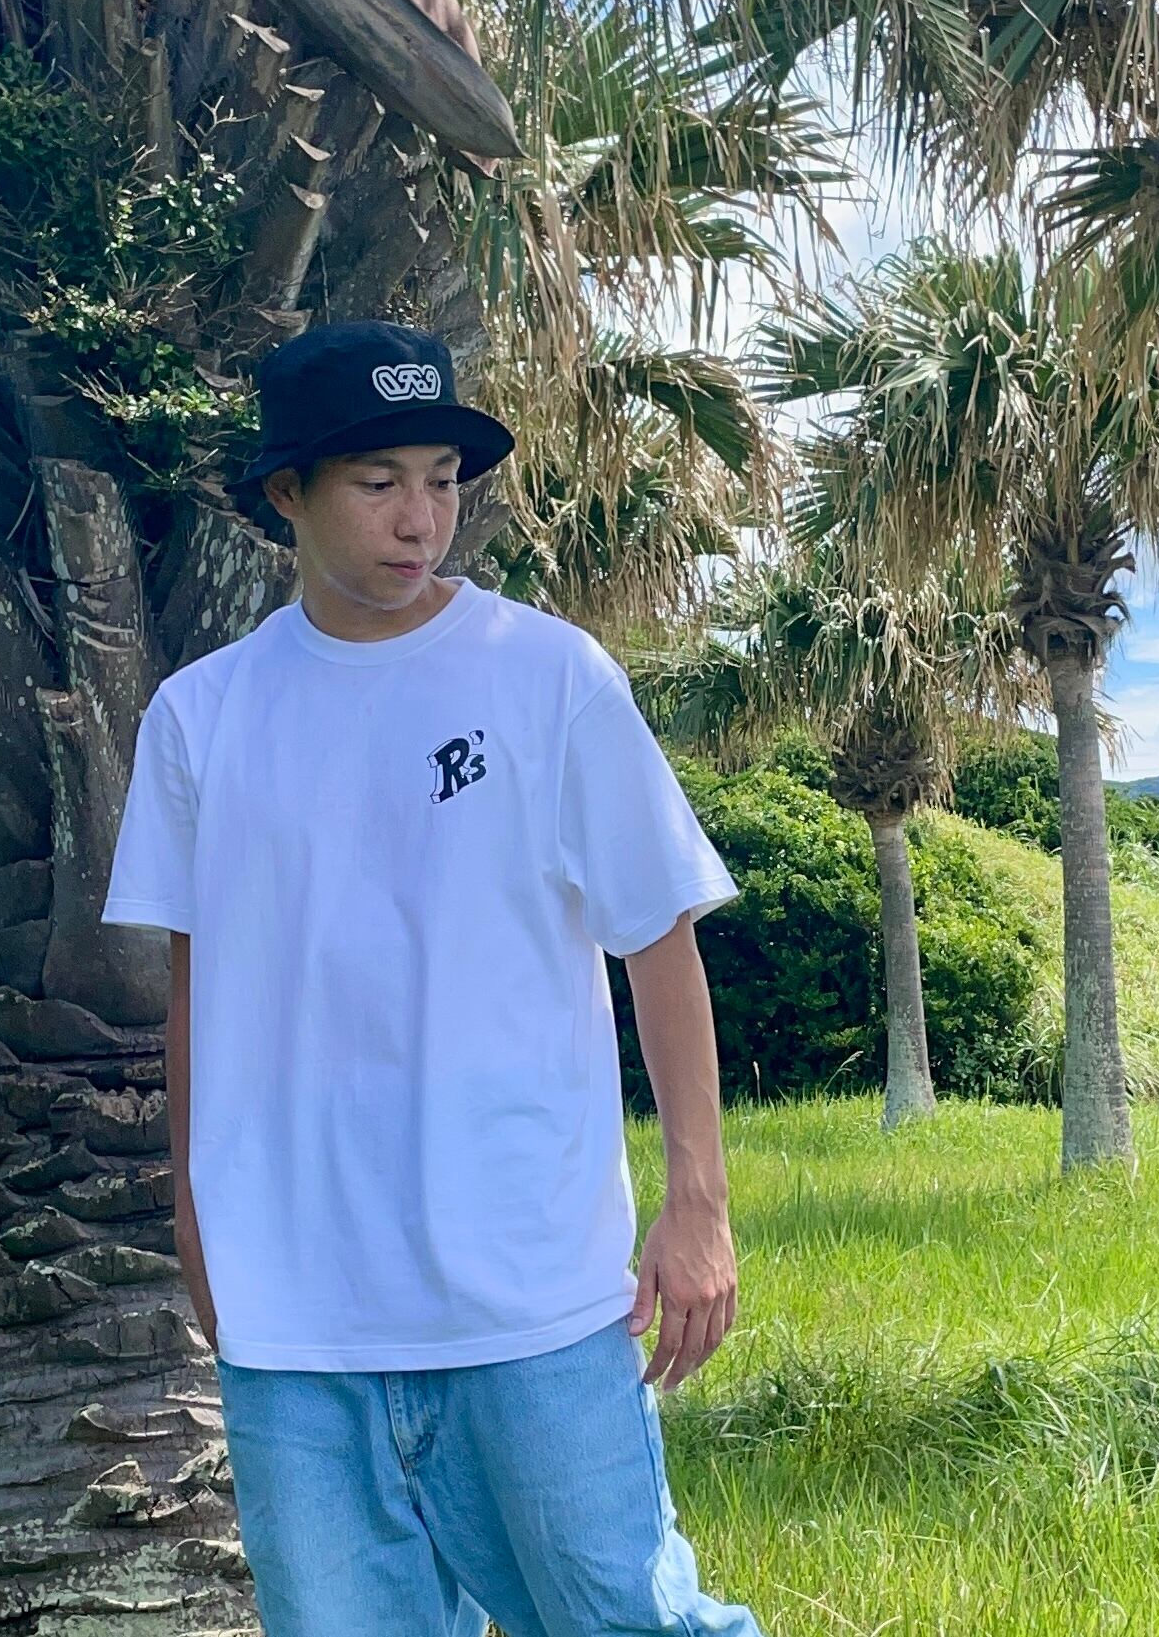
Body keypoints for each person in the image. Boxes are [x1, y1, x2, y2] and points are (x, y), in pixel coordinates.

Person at [101, 319, 763, 1636]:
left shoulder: (549, 677)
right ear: (286, 494)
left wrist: (697, 1204)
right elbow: (196, 996)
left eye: (442, 479)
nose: (421, 518)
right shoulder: (200, 716)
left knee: (630, 1620)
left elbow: (659, 938)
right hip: (296, 1312)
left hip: (529, 1292)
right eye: (378, 481)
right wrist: (194, 1217)